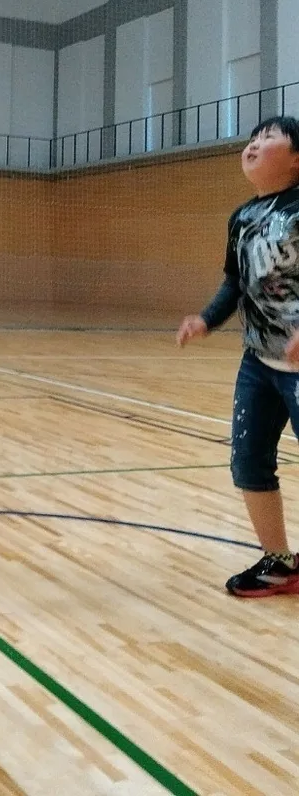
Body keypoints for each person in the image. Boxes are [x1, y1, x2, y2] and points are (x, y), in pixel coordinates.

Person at [177, 116, 299, 597]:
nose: (254, 144)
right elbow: (235, 283)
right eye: (252, 138)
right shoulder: (242, 218)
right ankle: (280, 561)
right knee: (249, 461)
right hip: (258, 362)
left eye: (269, 137)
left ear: (296, 159)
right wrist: (206, 319)